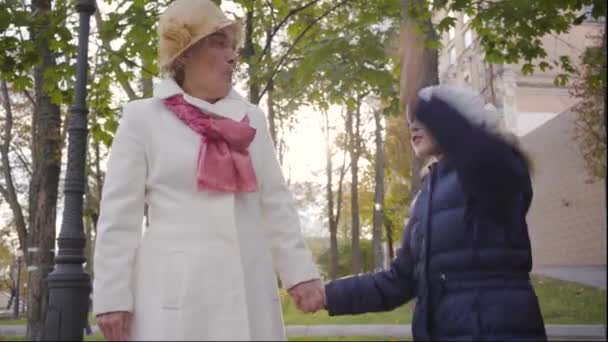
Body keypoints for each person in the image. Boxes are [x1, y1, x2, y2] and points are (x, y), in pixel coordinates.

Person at [92, 0, 324, 340]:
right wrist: (112, 297)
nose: (232, 56)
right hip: (176, 297)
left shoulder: (251, 119)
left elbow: (275, 204)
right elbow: (118, 217)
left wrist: (299, 274)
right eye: (218, 43)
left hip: (248, 289)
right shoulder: (143, 119)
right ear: (183, 53)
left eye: (233, 46)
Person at [322, 25, 547, 341]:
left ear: (462, 119)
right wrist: (327, 295)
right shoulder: (426, 196)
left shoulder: (499, 167)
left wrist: (418, 98)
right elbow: (399, 281)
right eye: (410, 119)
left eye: (420, 119)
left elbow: (475, 145)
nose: (412, 125)